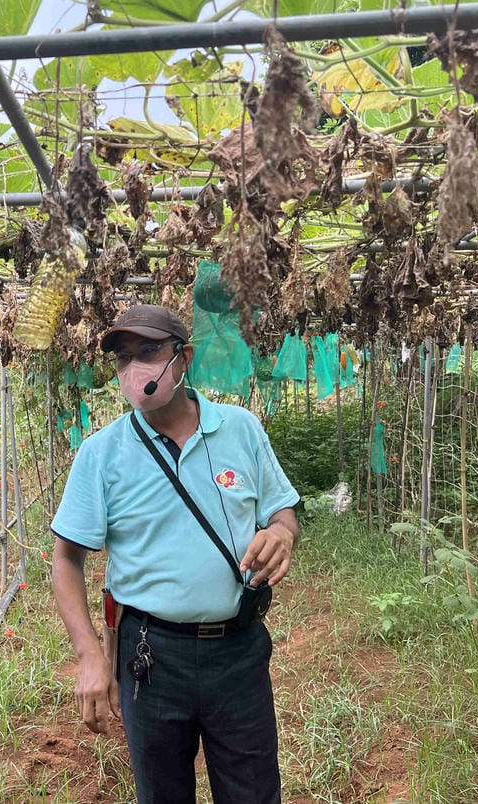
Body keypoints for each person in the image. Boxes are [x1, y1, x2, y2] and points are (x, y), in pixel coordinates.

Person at [51, 304, 300, 804]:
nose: (133, 368)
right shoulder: (101, 454)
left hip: (237, 650)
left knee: (253, 792)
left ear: (183, 358)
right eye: (123, 358)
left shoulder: (241, 429)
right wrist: (90, 656)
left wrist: (281, 533)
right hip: (150, 658)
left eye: (148, 352)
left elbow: (282, 511)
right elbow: (66, 560)